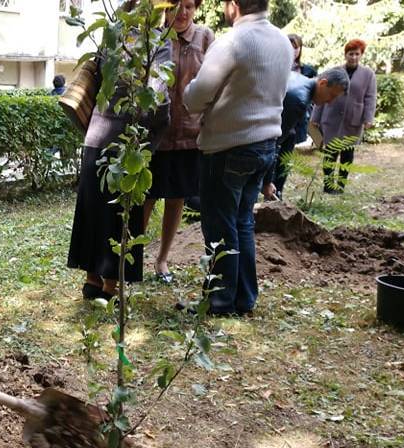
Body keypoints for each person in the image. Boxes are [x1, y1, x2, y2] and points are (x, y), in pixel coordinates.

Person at [182, 0, 293, 317]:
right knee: (242, 221)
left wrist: (191, 88)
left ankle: (219, 301)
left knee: (219, 225)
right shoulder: (282, 41)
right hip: (266, 144)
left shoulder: (232, 42)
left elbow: (196, 96)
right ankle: (244, 298)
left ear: (233, 6)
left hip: (228, 146)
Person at [67, 7, 172, 301]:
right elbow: (158, 96)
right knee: (120, 213)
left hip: (96, 132)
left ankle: (91, 280)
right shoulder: (158, 41)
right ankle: (110, 286)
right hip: (127, 139)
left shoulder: (113, 30)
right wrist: (157, 131)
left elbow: (101, 74)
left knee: (91, 209)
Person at [140, 0, 214, 284]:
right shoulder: (153, 36)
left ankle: (162, 261)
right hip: (154, 134)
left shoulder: (205, 37)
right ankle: (133, 259)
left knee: (176, 199)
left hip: (189, 136)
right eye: (176, 6)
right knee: (145, 198)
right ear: (165, 8)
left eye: (188, 7)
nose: (182, 13)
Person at [262, 68, 349, 201]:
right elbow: (273, 142)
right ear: (323, 83)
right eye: (331, 95)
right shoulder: (299, 100)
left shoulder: (299, 80)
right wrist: (267, 182)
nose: (330, 102)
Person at [311, 39, 377, 194]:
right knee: (330, 152)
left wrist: (368, 118)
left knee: (347, 154)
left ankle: (340, 186)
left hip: (352, 119)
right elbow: (321, 92)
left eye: (356, 54)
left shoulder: (368, 74)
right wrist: (315, 117)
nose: (353, 57)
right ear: (345, 54)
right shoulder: (335, 71)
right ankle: (328, 186)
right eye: (350, 54)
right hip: (331, 117)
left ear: (361, 55)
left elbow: (370, 97)